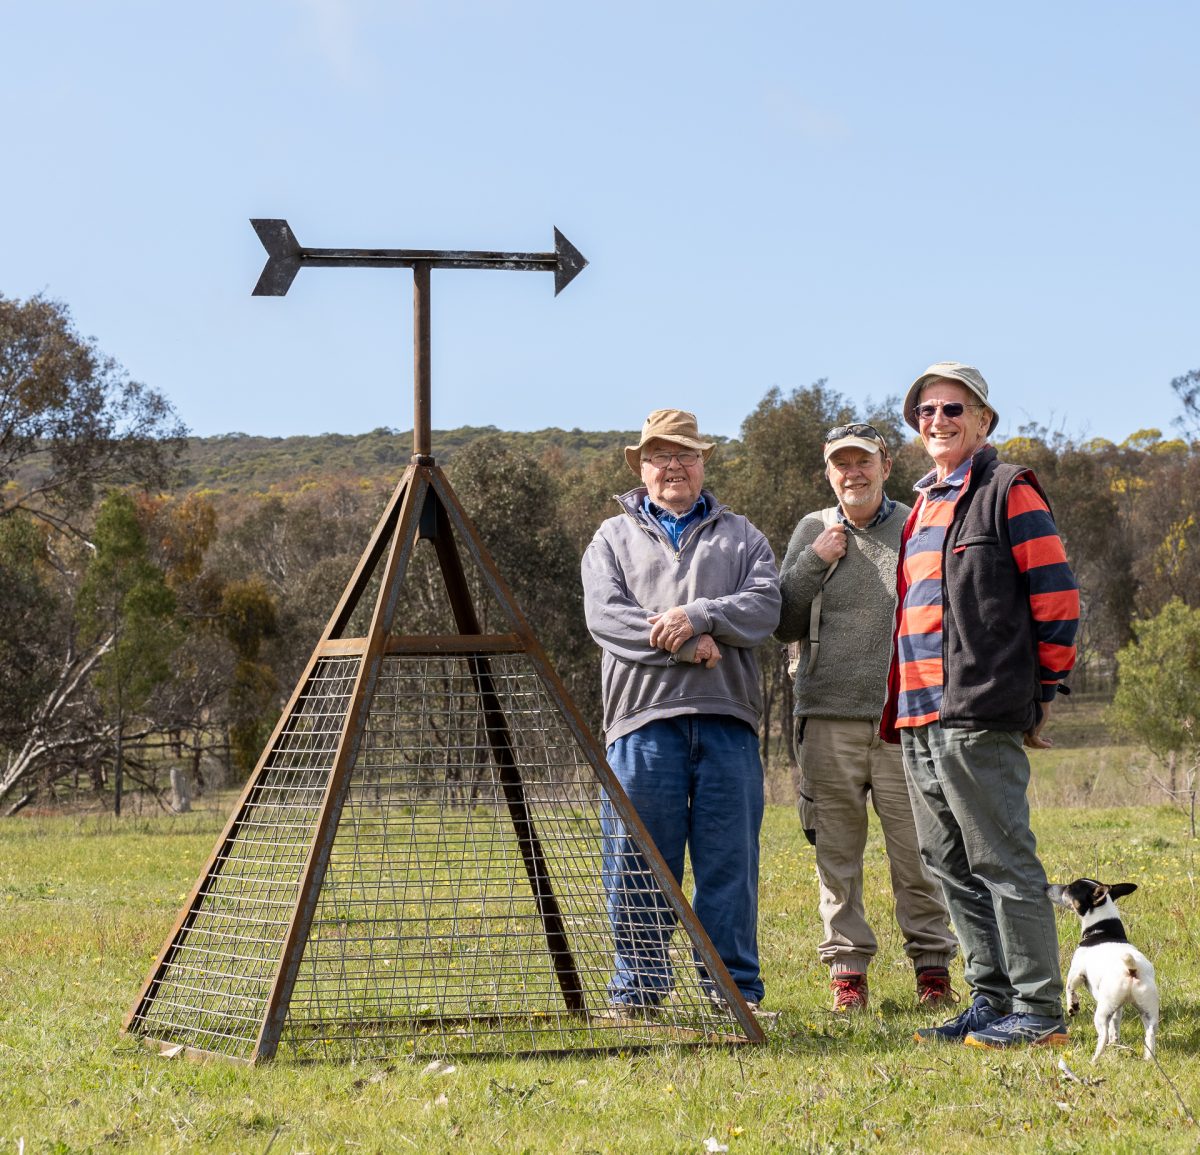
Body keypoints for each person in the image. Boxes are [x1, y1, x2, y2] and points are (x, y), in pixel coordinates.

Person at [881, 362, 1079, 1049]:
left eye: (952, 409)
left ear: (983, 420)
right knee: (947, 863)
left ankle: (1040, 1010)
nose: (937, 420)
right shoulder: (924, 505)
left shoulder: (1007, 491)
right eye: (925, 412)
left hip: (977, 710)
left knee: (1001, 859)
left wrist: (1042, 693)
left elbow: (1057, 599)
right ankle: (991, 1000)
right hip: (915, 713)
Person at [582, 408, 781, 1012]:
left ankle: (732, 993)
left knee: (729, 866)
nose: (673, 466)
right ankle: (637, 991)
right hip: (640, 726)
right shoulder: (610, 538)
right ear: (641, 468)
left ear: (703, 463)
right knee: (636, 862)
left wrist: (699, 615)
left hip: (728, 724)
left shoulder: (743, 535)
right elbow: (606, 618)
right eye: (659, 456)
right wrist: (692, 648)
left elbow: (765, 606)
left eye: (685, 455)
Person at [777, 423, 958, 1013]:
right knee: (836, 855)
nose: (852, 472)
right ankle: (847, 973)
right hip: (827, 719)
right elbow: (782, 620)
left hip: (903, 720)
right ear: (829, 472)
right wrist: (813, 560)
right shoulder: (813, 528)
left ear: (885, 463)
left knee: (918, 853)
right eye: (840, 464)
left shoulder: (917, 524)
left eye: (863, 462)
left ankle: (932, 968)